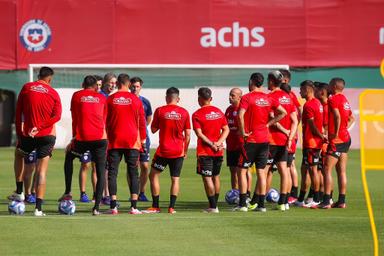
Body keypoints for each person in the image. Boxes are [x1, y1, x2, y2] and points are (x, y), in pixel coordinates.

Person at [14, 66, 62, 216]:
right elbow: (57, 117)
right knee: (41, 171)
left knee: (19, 154)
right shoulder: (53, 93)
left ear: (38, 75)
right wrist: (40, 126)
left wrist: (19, 133)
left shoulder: (27, 87)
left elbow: (18, 112)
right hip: (47, 136)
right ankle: (38, 209)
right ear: (50, 79)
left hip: (28, 135)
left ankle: (20, 191)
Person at [237, 73, 287, 212]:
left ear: (251, 81)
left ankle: (242, 205)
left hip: (250, 139)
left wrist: (243, 132)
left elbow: (240, 115)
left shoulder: (247, 98)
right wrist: (268, 124)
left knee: (242, 171)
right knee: (261, 172)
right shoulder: (268, 98)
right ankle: (261, 206)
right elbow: (283, 113)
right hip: (265, 140)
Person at [62, 75, 108, 215]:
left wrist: (73, 139)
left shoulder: (77, 96)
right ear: (96, 87)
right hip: (100, 140)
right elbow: (104, 119)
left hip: (82, 140)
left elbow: (75, 119)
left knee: (69, 157)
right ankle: (97, 208)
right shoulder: (102, 98)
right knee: (100, 172)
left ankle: (68, 192)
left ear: (83, 84)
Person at [144, 87, 191, 214]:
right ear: (178, 99)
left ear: (166, 98)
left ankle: (155, 206)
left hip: (164, 151)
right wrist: (185, 150)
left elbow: (153, 129)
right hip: (178, 152)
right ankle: (171, 207)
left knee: (153, 175)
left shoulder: (160, 110)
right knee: (175, 179)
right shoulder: (185, 112)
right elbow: (187, 135)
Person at [106, 73, 147, 215]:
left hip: (115, 141)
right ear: (129, 84)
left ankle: (113, 207)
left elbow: (105, 120)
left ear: (117, 84)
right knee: (133, 173)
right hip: (132, 141)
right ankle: (134, 207)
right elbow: (142, 122)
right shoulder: (136, 100)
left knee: (112, 172)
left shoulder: (110, 99)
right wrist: (143, 140)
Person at [192, 87, 229, 213]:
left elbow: (199, 134)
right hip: (218, 150)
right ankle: (213, 204)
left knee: (207, 178)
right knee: (216, 177)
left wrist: (212, 144)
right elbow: (226, 129)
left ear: (199, 99)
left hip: (205, 151)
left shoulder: (197, 114)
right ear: (211, 98)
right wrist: (218, 143)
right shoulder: (218, 112)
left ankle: (213, 207)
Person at [265, 71, 298, 211]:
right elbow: (295, 121)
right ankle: (283, 203)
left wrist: (268, 125)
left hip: (271, 139)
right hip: (285, 140)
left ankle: (258, 201)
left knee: (264, 171)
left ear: (272, 81)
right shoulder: (287, 97)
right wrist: (290, 137)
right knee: (284, 171)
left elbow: (271, 117)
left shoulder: (269, 97)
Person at [320, 78, 354, 209]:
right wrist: (344, 129)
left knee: (327, 169)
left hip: (338, 139)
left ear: (334, 86)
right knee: (341, 171)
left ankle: (326, 200)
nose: (328, 86)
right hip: (346, 139)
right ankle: (341, 201)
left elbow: (337, 116)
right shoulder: (344, 100)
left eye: (329, 84)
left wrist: (336, 133)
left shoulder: (333, 99)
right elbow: (352, 118)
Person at [298, 80, 326, 208]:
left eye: (301, 89)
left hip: (312, 143)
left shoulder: (309, 105)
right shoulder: (318, 103)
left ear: (307, 90)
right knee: (307, 169)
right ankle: (303, 198)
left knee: (313, 170)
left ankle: (316, 198)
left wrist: (321, 136)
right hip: (312, 143)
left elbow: (312, 125)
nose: (300, 92)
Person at [130, 77, 153, 201]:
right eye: (133, 86)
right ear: (129, 86)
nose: (135, 88)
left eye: (137, 86)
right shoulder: (127, 101)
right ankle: (132, 192)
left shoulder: (145, 102)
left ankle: (142, 193)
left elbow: (148, 118)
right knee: (133, 166)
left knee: (144, 166)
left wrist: (141, 130)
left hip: (144, 139)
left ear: (140, 87)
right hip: (131, 139)